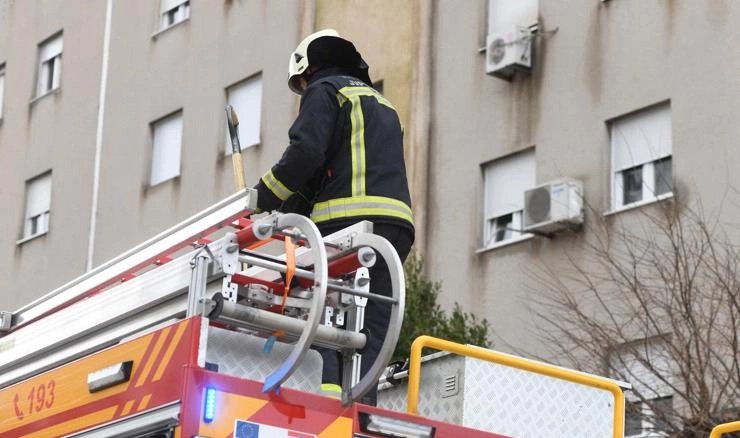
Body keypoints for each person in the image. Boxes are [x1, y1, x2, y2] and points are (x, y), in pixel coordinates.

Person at [253, 29, 414, 405]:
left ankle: (324, 411)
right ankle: (359, 411)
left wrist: (261, 197)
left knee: (325, 320)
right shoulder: (382, 104)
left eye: (301, 82)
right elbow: (324, 172)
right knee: (371, 331)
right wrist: (286, 212)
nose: (304, 90)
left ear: (310, 69)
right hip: (395, 230)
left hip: (348, 227)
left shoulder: (325, 90)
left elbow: (306, 154)